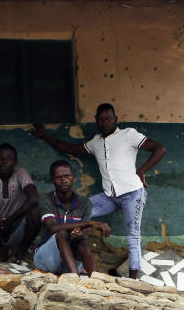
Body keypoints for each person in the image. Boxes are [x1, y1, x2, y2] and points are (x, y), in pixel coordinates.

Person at [32, 103, 166, 279]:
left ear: (115, 119)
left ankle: (133, 280)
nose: (104, 122)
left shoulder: (129, 135)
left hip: (133, 193)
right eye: (100, 119)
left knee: (132, 235)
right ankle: (75, 245)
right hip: (109, 197)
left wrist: (141, 171)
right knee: (82, 211)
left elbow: (159, 149)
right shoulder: (96, 142)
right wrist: (45, 136)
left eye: (108, 118)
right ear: (96, 121)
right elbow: (71, 149)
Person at [33, 160, 111, 275]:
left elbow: (83, 232)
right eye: (58, 177)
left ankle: (97, 280)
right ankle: (75, 278)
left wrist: (78, 234)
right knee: (62, 234)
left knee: (81, 241)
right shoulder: (46, 199)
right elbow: (53, 228)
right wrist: (89, 223)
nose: (63, 180)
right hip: (46, 260)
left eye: (67, 176)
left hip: (70, 263)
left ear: (73, 178)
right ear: (52, 180)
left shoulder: (85, 203)